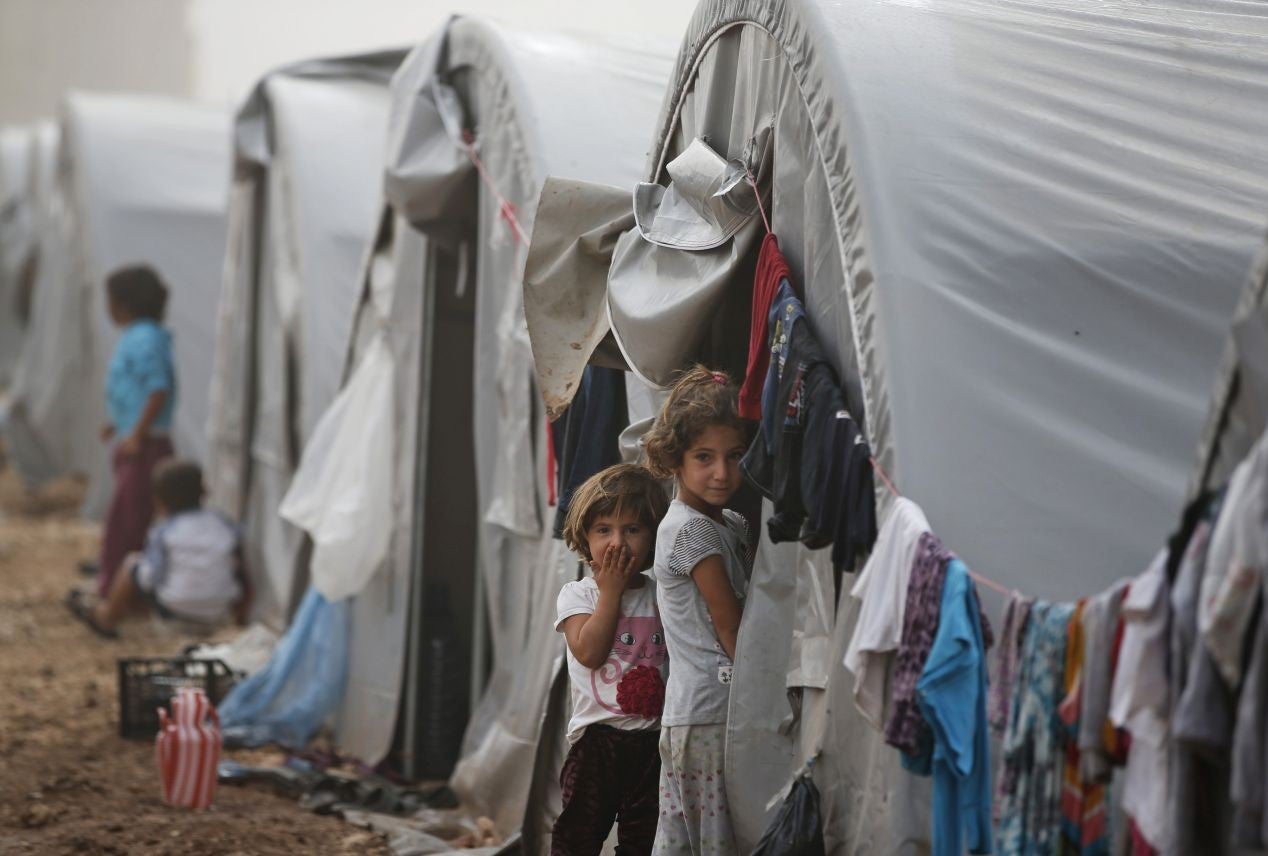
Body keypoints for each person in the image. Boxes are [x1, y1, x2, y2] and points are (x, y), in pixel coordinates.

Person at [642, 366, 754, 856]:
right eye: (703, 457)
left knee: (687, 842)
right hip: (710, 716)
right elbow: (732, 630)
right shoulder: (694, 531)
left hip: (696, 715)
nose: (722, 473)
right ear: (675, 459)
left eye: (734, 456)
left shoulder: (728, 522)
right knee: (715, 843)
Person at [553, 464, 672, 856]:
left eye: (632, 529)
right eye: (604, 529)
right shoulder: (579, 595)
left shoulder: (663, 593)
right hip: (596, 743)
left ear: (653, 535)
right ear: (584, 537)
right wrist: (611, 592)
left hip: (653, 743)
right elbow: (588, 653)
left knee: (644, 840)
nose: (617, 542)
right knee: (578, 837)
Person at [68, 459, 251, 637]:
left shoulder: (163, 531)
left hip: (175, 611)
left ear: (159, 500)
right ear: (204, 491)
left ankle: (107, 617)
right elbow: (239, 564)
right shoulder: (222, 523)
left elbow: (149, 579)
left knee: (132, 563)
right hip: (220, 611)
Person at [95, 264, 177, 598]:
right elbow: (140, 389)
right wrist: (120, 423)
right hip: (137, 439)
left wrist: (137, 433)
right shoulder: (142, 336)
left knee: (127, 522)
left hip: (144, 446)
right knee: (130, 517)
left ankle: (117, 592)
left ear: (121, 305)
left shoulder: (143, 338)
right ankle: (121, 587)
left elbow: (158, 388)